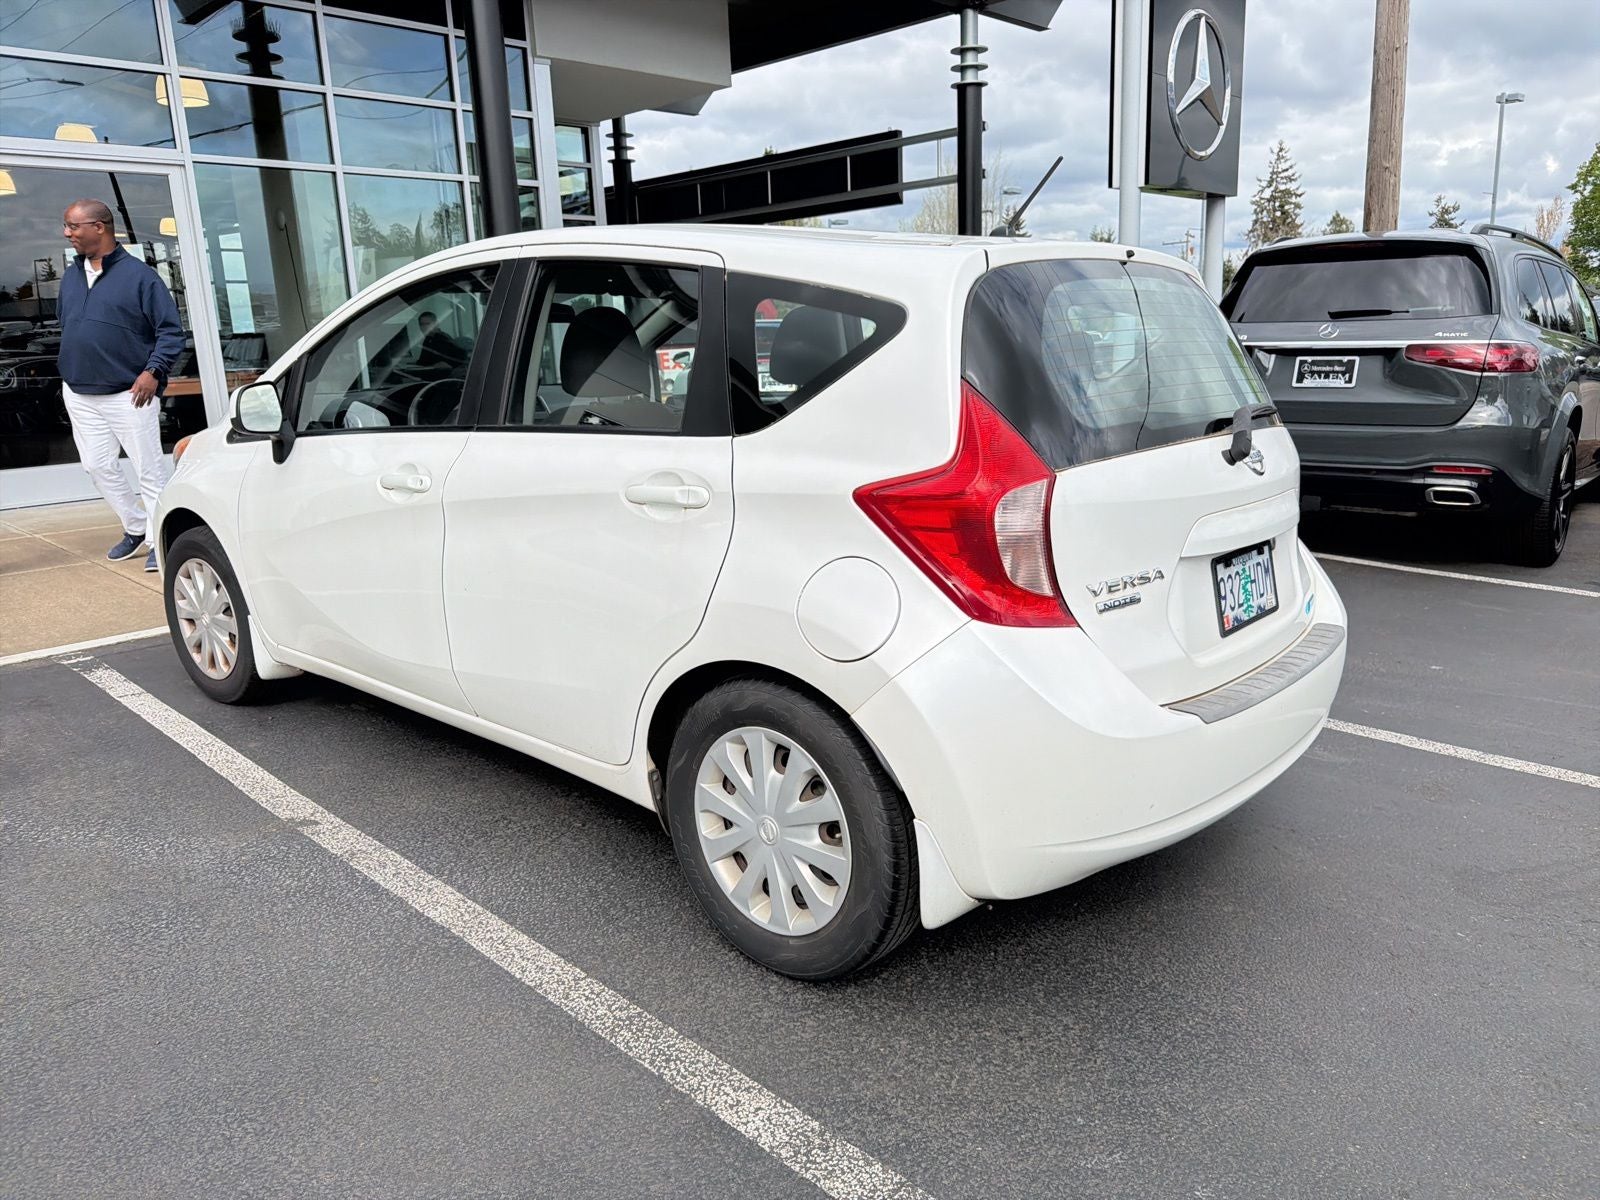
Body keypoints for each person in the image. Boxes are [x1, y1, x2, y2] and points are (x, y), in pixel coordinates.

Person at [56, 199, 184, 573]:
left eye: (73, 226)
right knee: (96, 465)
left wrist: (153, 372)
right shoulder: (70, 275)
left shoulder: (141, 277)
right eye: (66, 226)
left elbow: (170, 332)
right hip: (79, 391)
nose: (67, 233)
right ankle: (136, 526)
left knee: (150, 470)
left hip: (130, 394)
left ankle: (161, 540)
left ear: (99, 227)